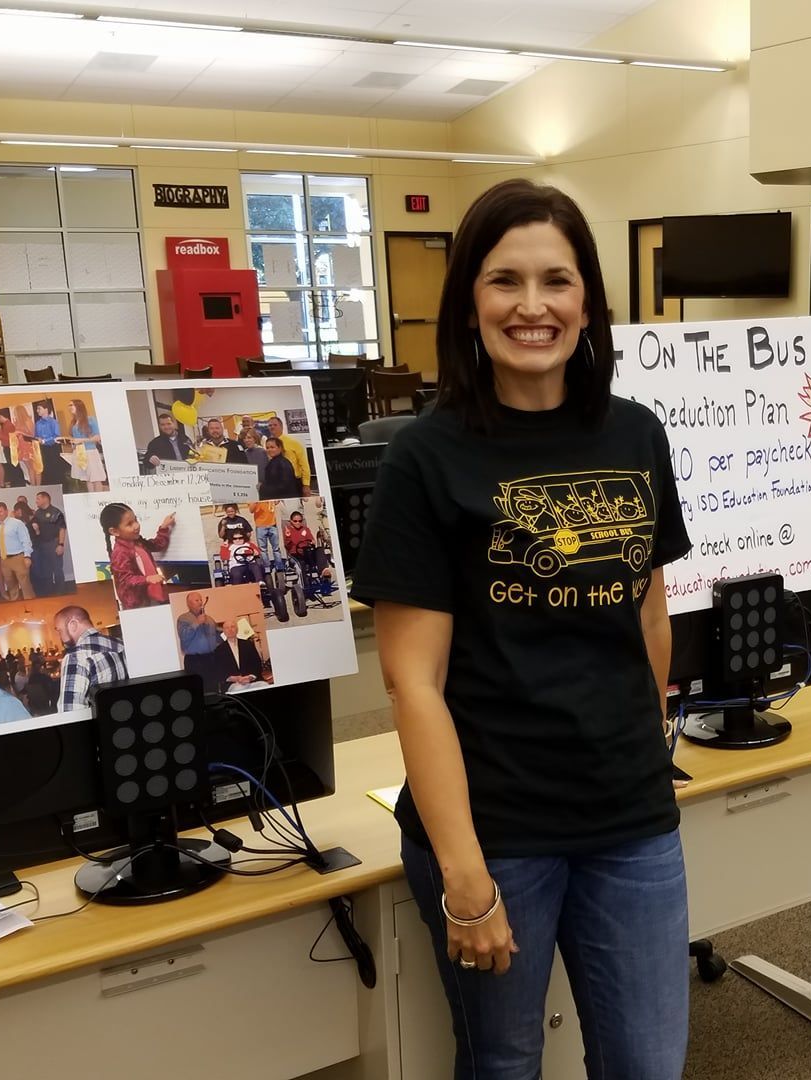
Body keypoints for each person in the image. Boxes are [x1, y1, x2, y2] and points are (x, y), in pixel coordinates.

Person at [349, 179, 692, 1078]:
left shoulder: (636, 435)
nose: (532, 306)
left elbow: (648, 604)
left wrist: (654, 727)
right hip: (494, 827)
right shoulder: (427, 457)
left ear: (588, 303)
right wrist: (464, 872)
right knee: (503, 1062)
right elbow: (410, 682)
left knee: (648, 1064)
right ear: (470, 299)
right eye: (506, 281)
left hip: (631, 816)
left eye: (556, 281)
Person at [101, 503, 176, 609]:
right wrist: (147, 579)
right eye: (129, 524)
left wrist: (164, 527)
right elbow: (125, 580)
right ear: (114, 531)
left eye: (136, 520)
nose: (136, 526)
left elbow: (157, 545)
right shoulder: (120, 552)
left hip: (152, 596)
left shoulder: (137, 541)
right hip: (139, 604)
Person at [55, 604, 128, 711]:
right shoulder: (120, 644)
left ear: (73, 625)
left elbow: (70, 712)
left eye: (59, 630)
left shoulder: (76, 657)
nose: (59, 637)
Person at [176, 591, 224, 693]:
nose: (200, 602)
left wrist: (228, 634)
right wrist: (197, 622)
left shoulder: (209, 619)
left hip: (211, 659)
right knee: (197, 690)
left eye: (201, 600)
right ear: (189, 604)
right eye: (196, 600)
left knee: (213, 689)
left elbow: (217, 636)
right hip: (194, 661)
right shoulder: (183, 618)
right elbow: (184, 636)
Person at [0, 501, 35, 600]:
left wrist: (27, 556)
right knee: (10, 584)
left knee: (25, 583)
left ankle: (31, 603)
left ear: (6, 511)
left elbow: (26, 540)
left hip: (18, 557)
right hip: (4, 560)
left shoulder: (17, 523)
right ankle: (14, 604)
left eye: (0, 511)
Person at [65, 398, 108, 492]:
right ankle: (92, 498)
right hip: (79, 453)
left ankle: (99, 499)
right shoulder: (73, 422)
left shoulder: (90, 419)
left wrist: (81, 440)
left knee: (95, 478)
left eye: (72, 405)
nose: (70, 407)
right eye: (69, 405)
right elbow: (74, 438)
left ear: (79, 406)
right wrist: (66, 441)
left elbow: (97, 437)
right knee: (87, 479)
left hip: (90, 451)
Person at [32, 490, 68, 595]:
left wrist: (61, 545)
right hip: (42, 545)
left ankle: (60, 591)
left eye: (38, 498)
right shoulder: (38, 512)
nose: (36, 501)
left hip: (54, 543)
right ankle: (48, 591)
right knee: (46, 569)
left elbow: (62, 529)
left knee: (57, 569)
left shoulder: (56, 512)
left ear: (45, 499)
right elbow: (33, 521)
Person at [215, 616, 267, 687]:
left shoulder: (248, 644)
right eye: (227, 628)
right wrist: (234, 678)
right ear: (223, 631)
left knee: (264, 685)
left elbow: (257, 664)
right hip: (233, 683)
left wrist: (250, 677)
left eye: (232, 627)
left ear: (237, 629)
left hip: (251, 680)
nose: (230, 630)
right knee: (239, 689)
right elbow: (218, 671)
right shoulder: (219, 650)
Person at [266, 416, 312, 495]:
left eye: (275, 425)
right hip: (276, 483)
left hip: (294, 481)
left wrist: (306, 484)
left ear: (281, 426)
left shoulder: (294, 443)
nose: (272, 427)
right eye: (270, 425)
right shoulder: (268, 445)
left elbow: (304, 465)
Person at [283, 508, 331, 579]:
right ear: (291, 521)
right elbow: (287, 546)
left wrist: (312, 541)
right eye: (295, 521)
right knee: (301, 563)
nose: (298, 523)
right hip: (295, 554)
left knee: (320, 550)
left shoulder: (305, 529)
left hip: (307, 552)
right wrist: (288, 536)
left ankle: (324, 571)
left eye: (300, 521)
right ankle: (304, 583)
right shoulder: (288, 531)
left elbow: (311, 539)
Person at [34, 401, 65, 485]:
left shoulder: (53, 422)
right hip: (42, 449)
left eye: (39, 408)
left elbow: (56, 436)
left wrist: (44, 440)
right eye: (37, 409)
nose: (37, 410)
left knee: (55, 470)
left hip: (53, 449)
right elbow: (36, 435)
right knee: (45, 470)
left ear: (46, 409)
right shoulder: (37, 423)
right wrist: (37, 439)